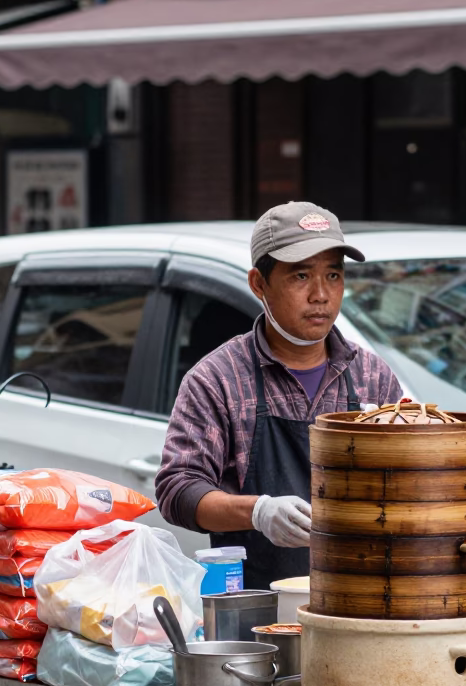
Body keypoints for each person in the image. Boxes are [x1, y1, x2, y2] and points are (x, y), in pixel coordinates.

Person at [155, 201, 403, 589]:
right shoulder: (218, 380)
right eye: (301, 276)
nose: (321, 294)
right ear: (259, 284)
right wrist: (258, 512)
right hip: (259, 614)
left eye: (333, 275)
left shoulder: (372, 377)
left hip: (361, 602)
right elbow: (178, 490)